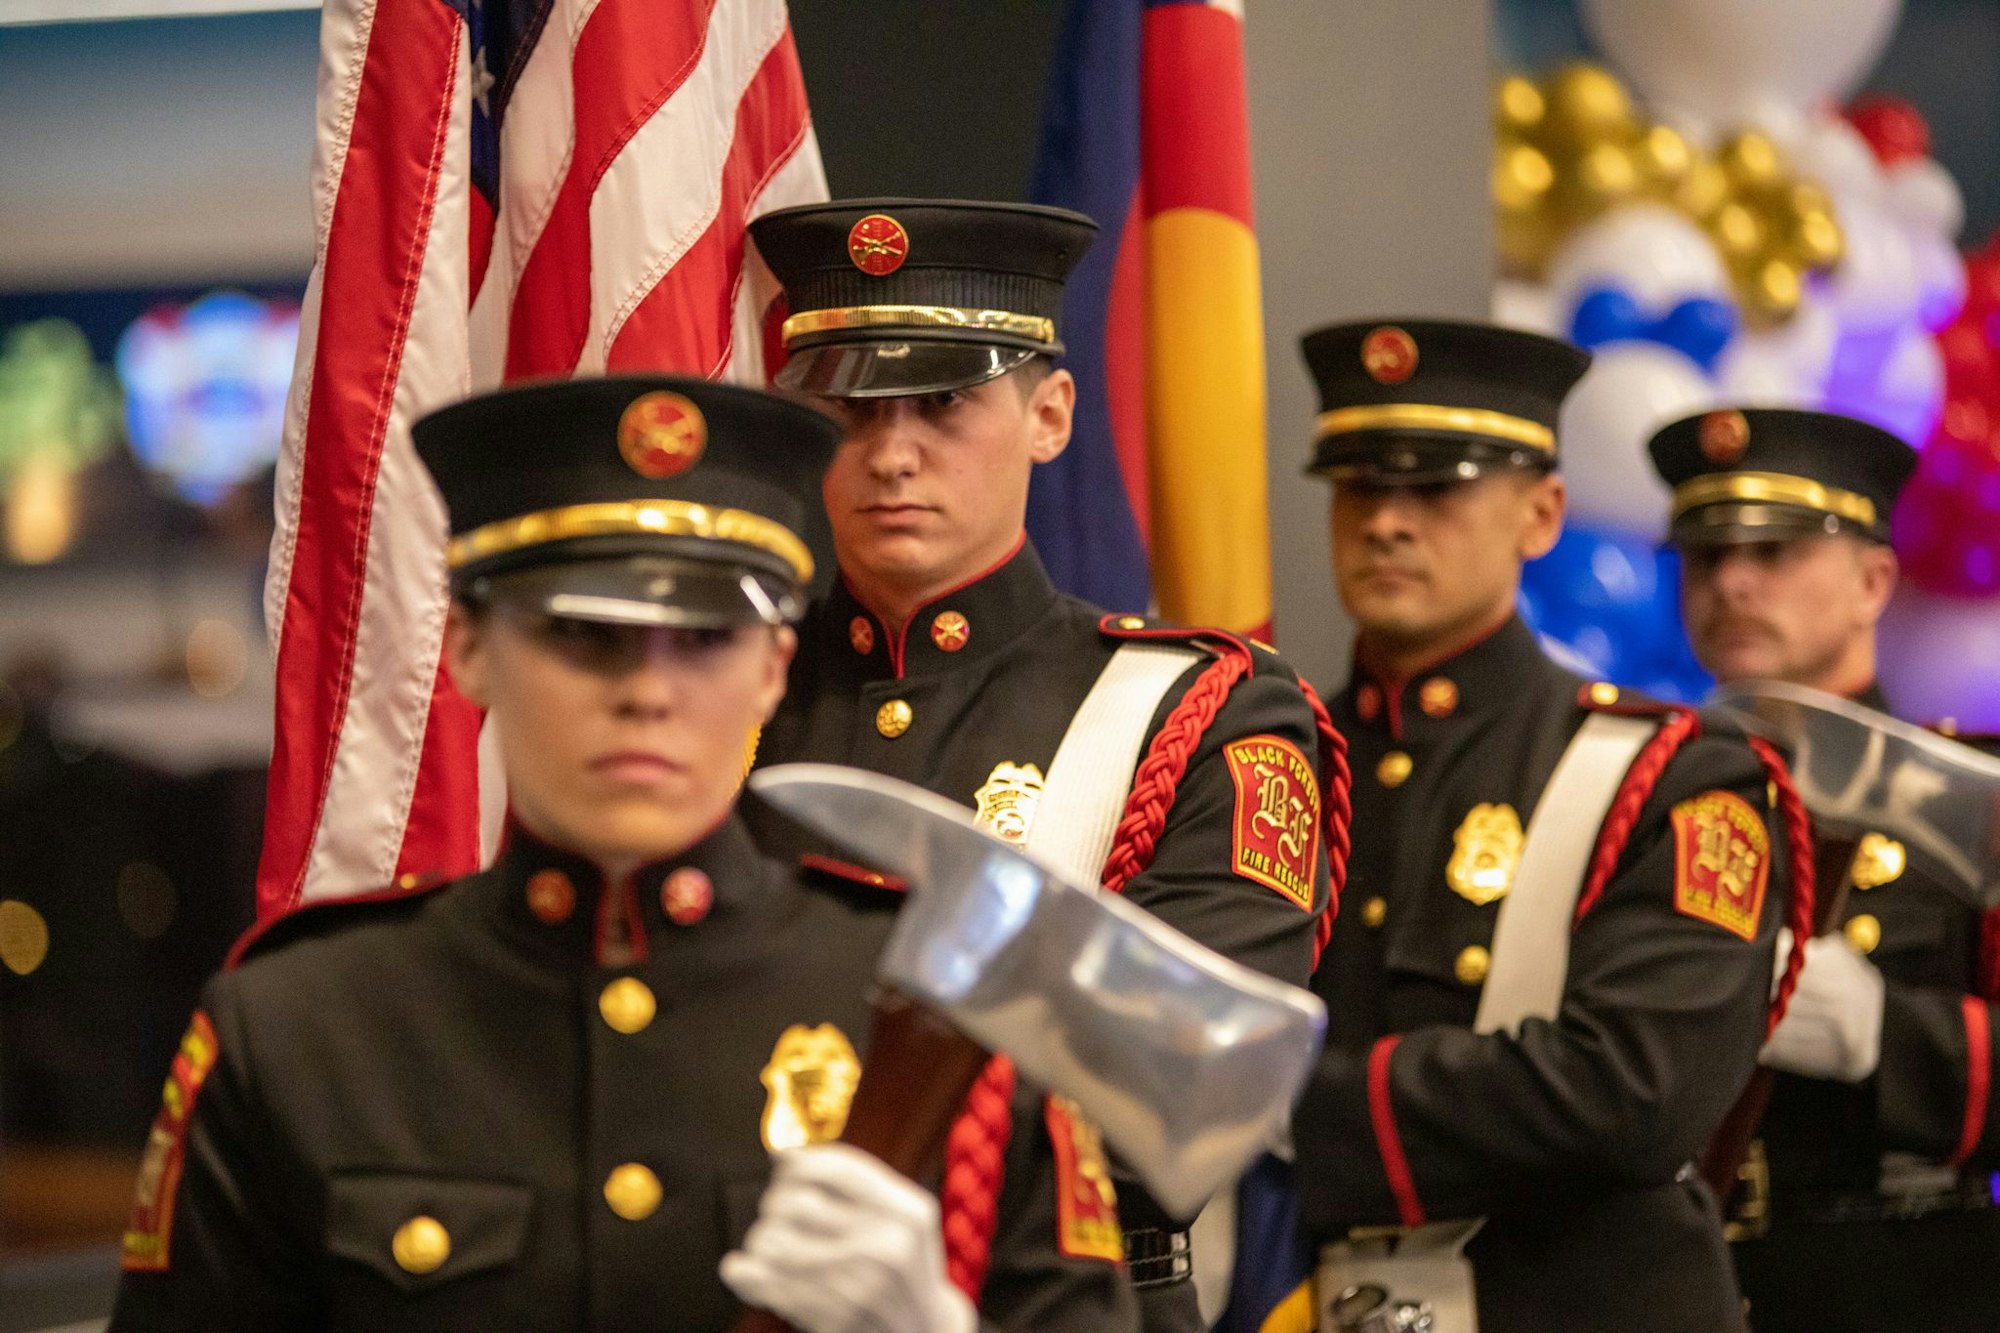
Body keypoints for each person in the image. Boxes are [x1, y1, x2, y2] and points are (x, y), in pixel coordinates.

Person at [108, 375, 1138, 1332]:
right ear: (469, 648)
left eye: (704, 638)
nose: (647, 690)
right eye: (584, 634)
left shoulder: (941, 1020)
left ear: (774, 666)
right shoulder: (303, 1030)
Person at [743, 198, 1343, 1328]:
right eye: (850, 406)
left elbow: (1175, 1087)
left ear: (1050, 415)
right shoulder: (725, 692)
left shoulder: (1199, 711)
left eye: (944, 403)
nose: (891, 454)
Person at [1286, 320, 1807, 1332]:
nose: (1385, 522)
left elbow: (1634, 1094)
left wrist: (1271, 1111)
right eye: (1357, 487)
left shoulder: (1677, 773)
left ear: (1541, 514)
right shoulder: (1273, 762)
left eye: (1435, 491)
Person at [1651, 406, 2000, 1333]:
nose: (1732, 581)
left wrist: (1893, 1036)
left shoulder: (1974, 800)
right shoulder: (1643, 801)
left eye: (1776, 551)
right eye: (1705, 556)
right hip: (1684, 1289)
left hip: (1907, 1288)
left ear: (1874, 581)